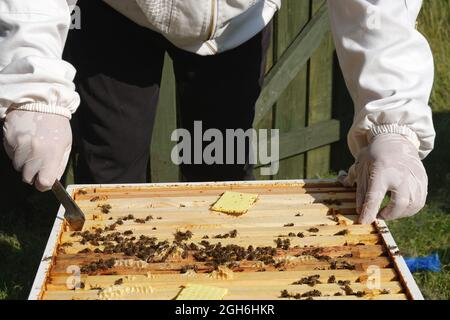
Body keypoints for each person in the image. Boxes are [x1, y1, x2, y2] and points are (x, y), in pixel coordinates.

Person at [0, 0, 435, 224]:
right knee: (110, 169)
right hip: (115, 13)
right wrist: (32, 90)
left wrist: (394, 123)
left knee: (220, 166)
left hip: (238, 21)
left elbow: (379, 8)